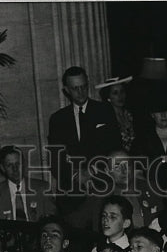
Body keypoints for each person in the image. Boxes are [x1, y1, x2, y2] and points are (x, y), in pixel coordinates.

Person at [48, 65, 122, 219]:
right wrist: (76, 175)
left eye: (83, 87)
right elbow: (55, 160)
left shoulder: (105, 111)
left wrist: (92, 170)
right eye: (75, 88)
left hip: (102, 188)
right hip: (71, 194)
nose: (81, 92)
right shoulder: (57, 119)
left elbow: (115, 149)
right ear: (66, 90)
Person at [0, 145, 56, 222]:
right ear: (2, 168)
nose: (15, 169)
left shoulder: (42, 188)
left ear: (24, 163)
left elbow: (51, 222)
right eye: (9, 165)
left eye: (18, 164)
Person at [98, 75, 134, 152]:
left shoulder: (131, 115)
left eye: (122, 91)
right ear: (108, 97)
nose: (120, 96)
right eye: (115, 93)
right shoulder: (105, 119)